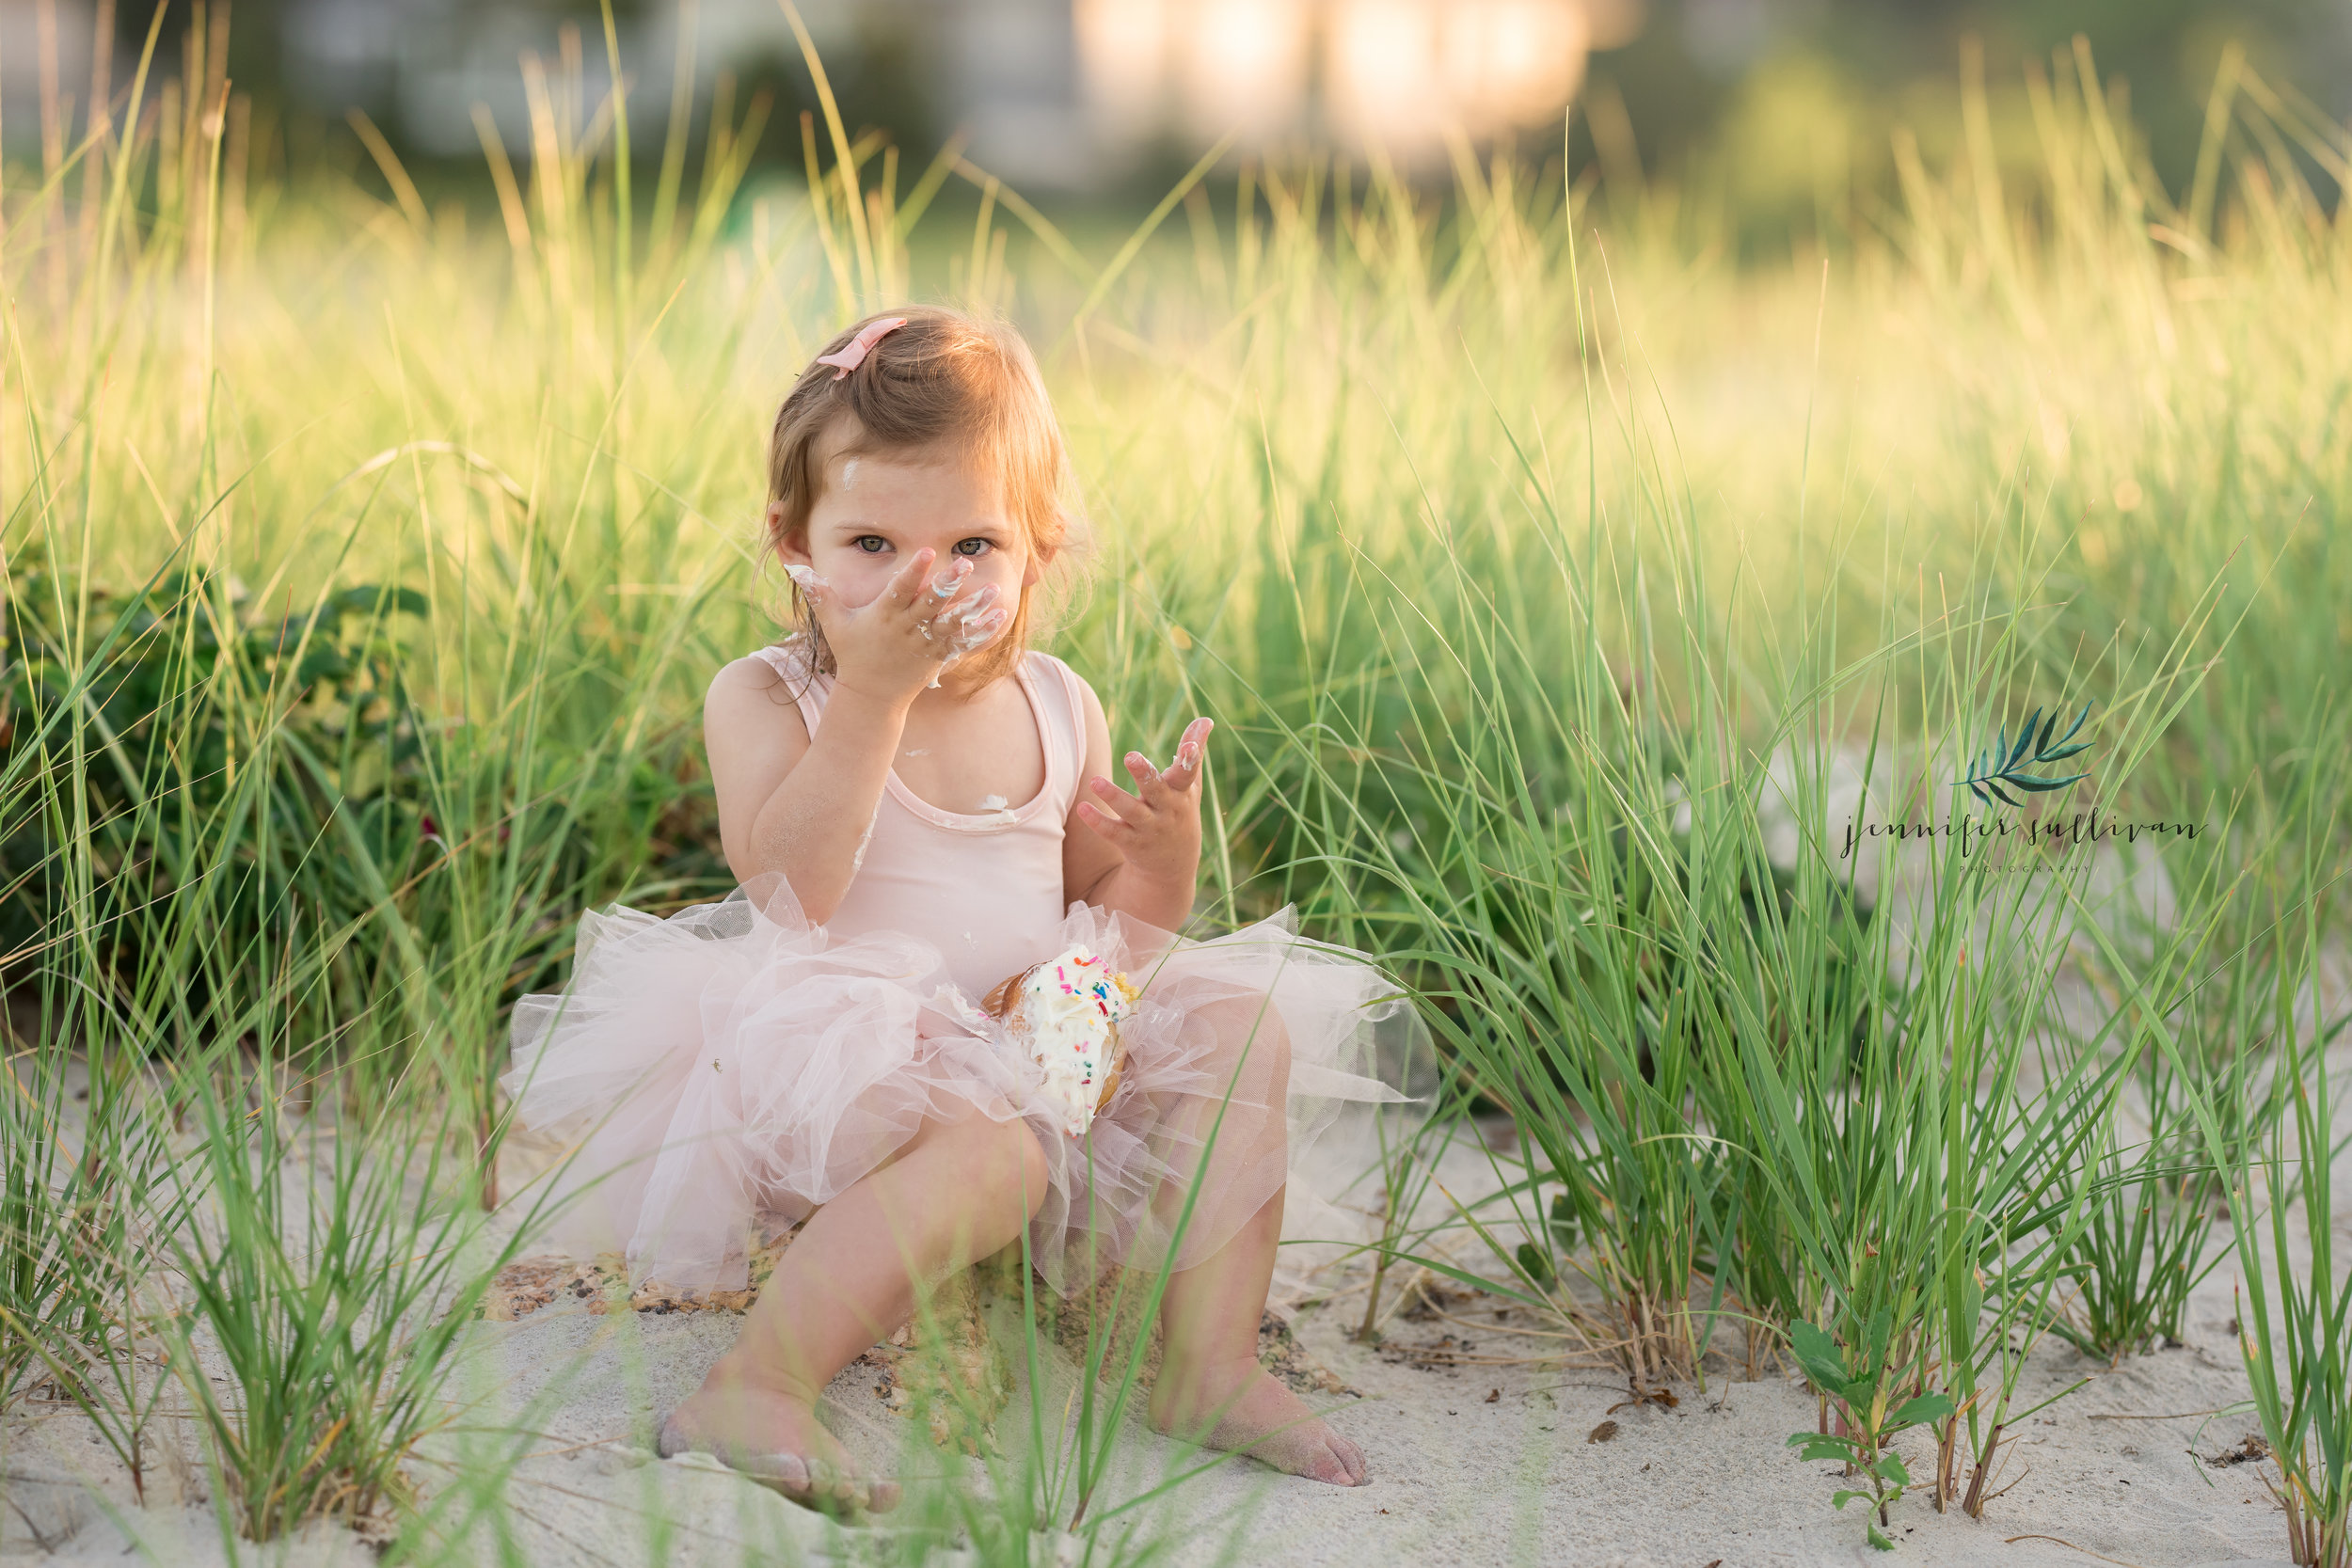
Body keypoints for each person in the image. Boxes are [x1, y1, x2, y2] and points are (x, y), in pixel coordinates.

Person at [501, 306, 1428, 1512]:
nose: (924, 584)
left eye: (974, 546)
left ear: (1037, 551)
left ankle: (1212, 1365)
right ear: (795, 539)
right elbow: (789, 892)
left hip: (1033, 1028)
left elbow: (1105, 921)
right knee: (993, 1155)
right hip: (851, 1065)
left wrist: (1161, 859)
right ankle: (755, 1383)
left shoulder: (1057, 700)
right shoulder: (769, 696)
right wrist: (872, 697)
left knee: (1240, 1023)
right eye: (875, 542)